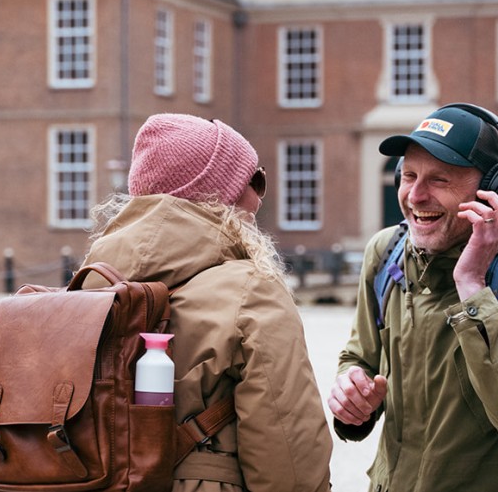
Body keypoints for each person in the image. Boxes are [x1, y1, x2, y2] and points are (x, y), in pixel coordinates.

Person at [329, 103, 498, 491]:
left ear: (491, 191)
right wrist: (351, 391)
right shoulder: (385, 252)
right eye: (409, 175)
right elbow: (359, 357)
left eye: (440, 180)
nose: (415, 196)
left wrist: (472, 286)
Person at [80, 113, 333, 492]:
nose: (259, 197)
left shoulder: (91, 285)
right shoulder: (252, 291)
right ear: (220, 194)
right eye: (255, 180)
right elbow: (290, 459)